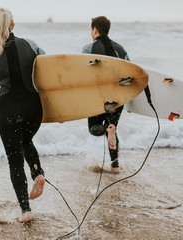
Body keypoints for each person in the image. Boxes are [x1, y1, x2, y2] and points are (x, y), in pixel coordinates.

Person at [0, 8, 46, 223]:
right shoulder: (31, 44)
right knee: (26, 140)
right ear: (13, 25)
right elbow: (49, 71)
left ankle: (26, 211)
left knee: (14, 160)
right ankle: (38, 173)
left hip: (8, 107)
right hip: (33, 106)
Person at [82, 16, 130, 174]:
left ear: (95, 30)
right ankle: (115, 166)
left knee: (94, 128)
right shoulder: (121, 49)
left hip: (99, 98)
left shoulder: (88, 48)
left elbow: (83, 75)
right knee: (112, 126)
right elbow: (131, 74)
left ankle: (106, 130)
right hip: (117, 98)